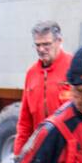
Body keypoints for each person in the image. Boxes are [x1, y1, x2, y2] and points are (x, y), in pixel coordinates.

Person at [15, 21, 73, 156]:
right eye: (37, 45)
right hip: (42, 152)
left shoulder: (74, 67)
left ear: (59, 41)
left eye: (46, 44)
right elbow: (25, 122)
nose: (41, 49)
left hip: (69, 151)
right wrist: (18, 155)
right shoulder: (31, 73)